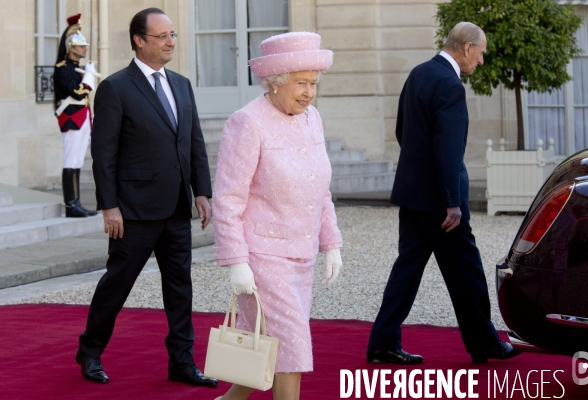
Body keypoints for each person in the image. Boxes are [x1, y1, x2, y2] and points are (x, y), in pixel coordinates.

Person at [75, 8, 217, 388]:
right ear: (140, 40)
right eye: (163, 36)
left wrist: (201, 191)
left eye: (173, 35)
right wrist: (109, 206)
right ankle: (89, 351)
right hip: (133, 211)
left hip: (175, 208)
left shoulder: (182, 85)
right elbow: (103, 153)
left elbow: (194, 142)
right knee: (116, 285)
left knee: (180, 289)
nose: (172, 41)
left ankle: (182, 363)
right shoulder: (116, 88)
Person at [367, 22, 521, 365]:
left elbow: (402, 132)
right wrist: (452, 202)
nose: (480, 61)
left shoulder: (419, 73)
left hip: (412, 193)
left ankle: (382, 343)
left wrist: (419, 177)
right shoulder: (450, 85)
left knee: (406, 270)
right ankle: (486, 344)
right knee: (466, 271)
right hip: (440, 202)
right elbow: (448, 149)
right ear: (466, 48)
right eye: (480, 54)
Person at [212, 32, 343, 400]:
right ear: (275, 81)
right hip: (262, 257)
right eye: (301, 83)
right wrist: (236, 261)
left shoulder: (311, 119)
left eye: (313, 83)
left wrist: (330, 243)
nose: (309, 92)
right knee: (292, 349)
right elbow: (227, 198)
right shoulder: (247, 122)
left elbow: (322, 188)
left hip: (301, 258)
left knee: (271, 348)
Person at [53, 14, 98, 218]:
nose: (85, 49)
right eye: (81, 46)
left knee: (78, 160)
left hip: (81, 119)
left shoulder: (75, 69)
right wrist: (89, 75)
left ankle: (77, 203)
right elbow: (79, 92)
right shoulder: (62, 69)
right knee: (71, 160)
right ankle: (71, 205)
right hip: (71, 119)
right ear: (71, 47)